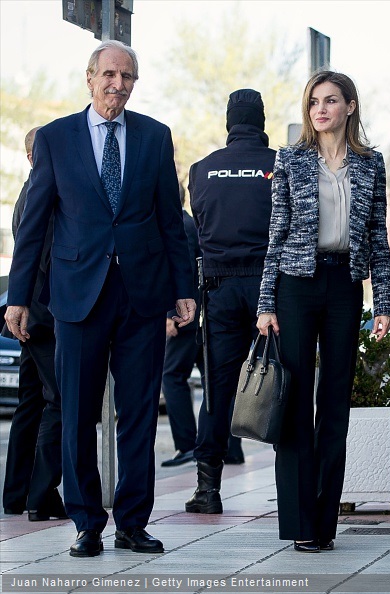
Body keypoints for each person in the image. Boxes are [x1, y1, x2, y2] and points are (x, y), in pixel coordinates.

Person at [4, 40, 196, 558]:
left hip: (141, 295)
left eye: (128, 76)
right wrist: (17, 296)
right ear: (90, 78)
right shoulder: (55, 138)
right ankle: (87, 522)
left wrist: (183, 289)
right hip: (76, 296)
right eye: (110, 74)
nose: (118, 84)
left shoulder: (155, 138)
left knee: (138, 414)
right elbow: (35, 224)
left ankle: (133, 523)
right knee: (76, 413)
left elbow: (170, 222)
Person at [256, 71, 390, 552]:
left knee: (334, 403)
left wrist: (385, 304)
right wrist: (266, 303)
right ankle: (300, 523)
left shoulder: (370, 164)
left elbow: (378, 237)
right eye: (314, 101)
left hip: (343, 286)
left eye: (331, 101)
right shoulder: (291, 159)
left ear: (350, 107)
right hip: (296, 285)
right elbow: (275, 233)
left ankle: (325, 522)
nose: (320, 109)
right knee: (295, 401)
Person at [185, 89, 276, 514]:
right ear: (260, 121)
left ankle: (208, 490)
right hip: (269, 291)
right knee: (281, 382)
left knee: (218, 391)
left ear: (228, 122)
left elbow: (199, 227)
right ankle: (293, 486)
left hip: (219, 291)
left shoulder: (202, 170)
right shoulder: (279, 166)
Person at [2, 126, 66, 521]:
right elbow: (44, 258)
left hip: (31, 314)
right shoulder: (42, 195)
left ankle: (16, 493)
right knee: (58, 401)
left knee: (30, 403)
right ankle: (41, 495)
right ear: (33, 157)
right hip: (45, 316)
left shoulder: (24, 195)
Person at [161, 186, 203, 468]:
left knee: (172, 377)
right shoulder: (188, 223)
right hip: (193, 316)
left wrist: (170, 315)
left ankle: (187, 444)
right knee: (211, 380)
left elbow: (183, 271)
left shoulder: (181, 226)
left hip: (183, 318)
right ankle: (226, 447)